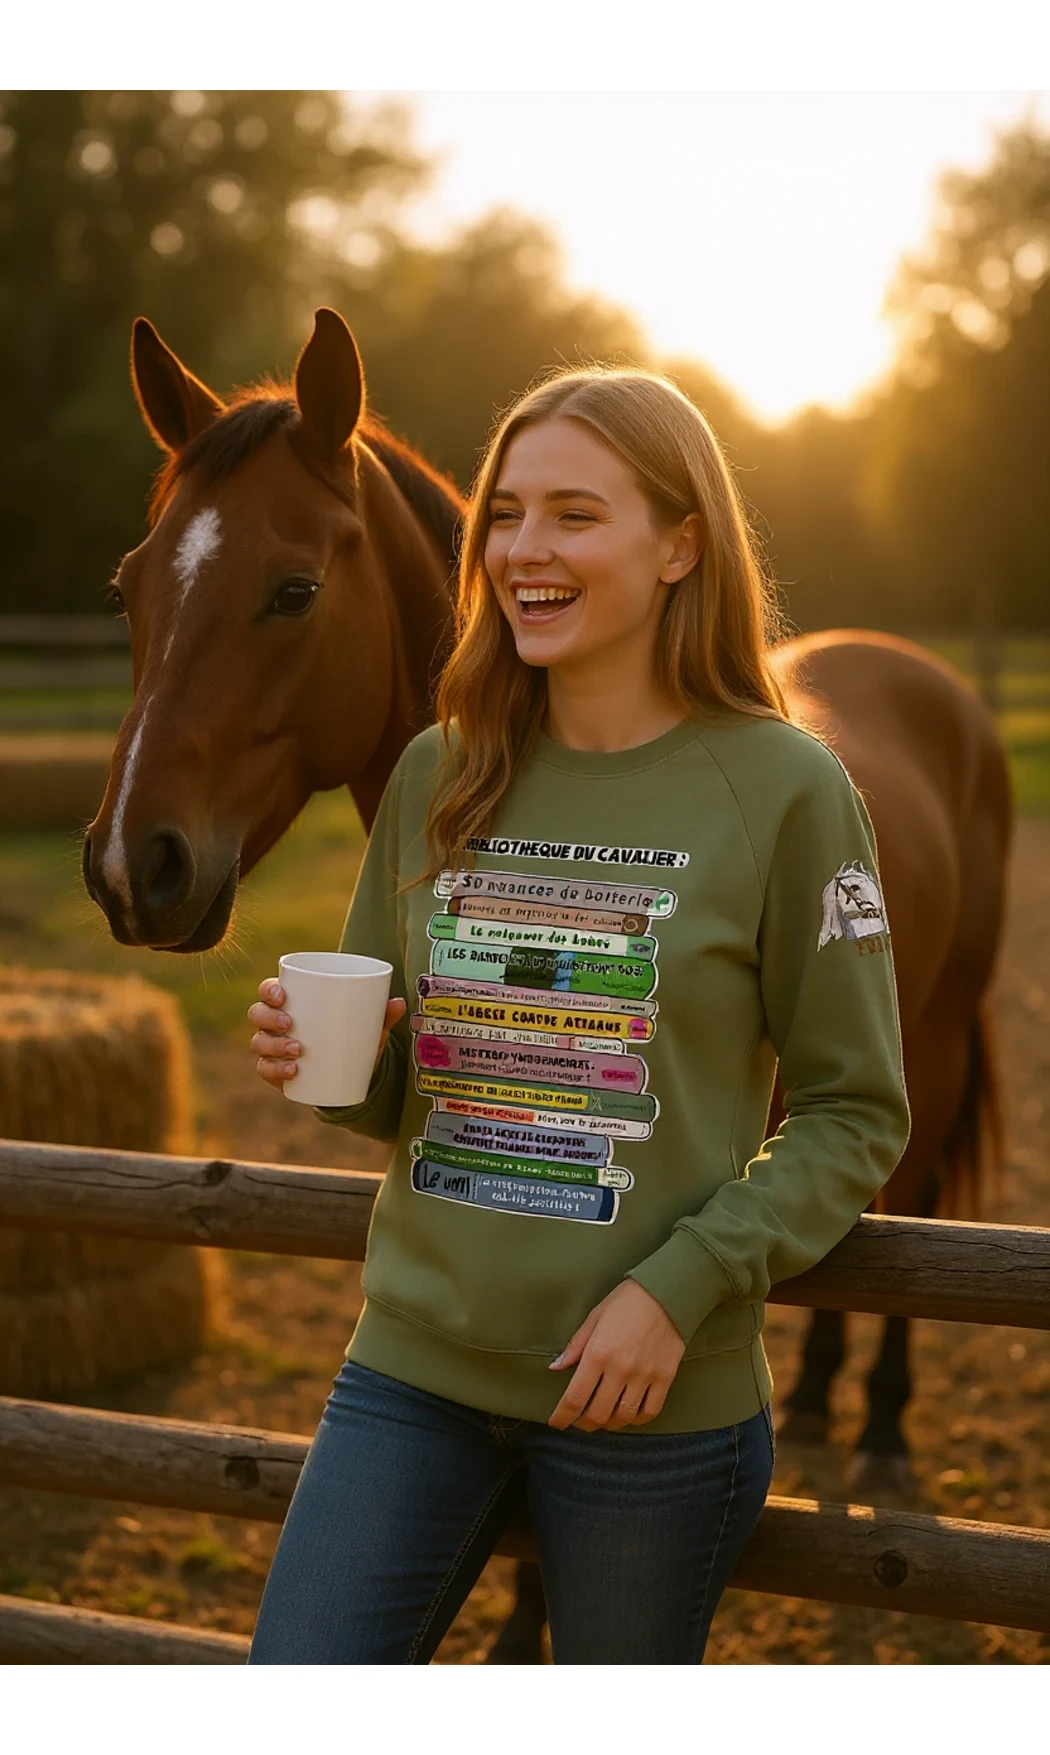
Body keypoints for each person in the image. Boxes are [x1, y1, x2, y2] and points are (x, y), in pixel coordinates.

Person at [245, 367, 910, 1665]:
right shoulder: (441, 768)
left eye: (572, 514)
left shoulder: (786, 789)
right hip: (410, 1373)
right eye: (504, 513)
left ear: (679, 546)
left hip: (645, 1408)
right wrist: (324, 1070)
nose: (521, 551)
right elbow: (406, 1096)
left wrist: (679, 1288)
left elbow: (853, 1109)